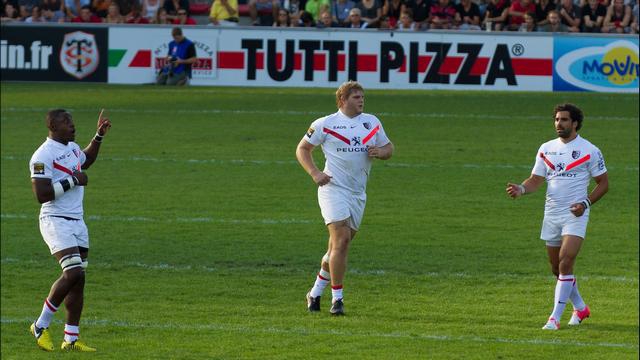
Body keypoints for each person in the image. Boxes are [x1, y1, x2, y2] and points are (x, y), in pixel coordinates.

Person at [506, 103, 608, 330]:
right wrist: (521, 189)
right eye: (556, 119)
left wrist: (585, 203)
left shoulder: (590, 150)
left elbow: (604, 183)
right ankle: (581, 308)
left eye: (564, 120)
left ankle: (554, 318)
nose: (558, 124)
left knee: (565, 261)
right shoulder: (546, 148)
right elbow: (535, 180)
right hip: (552, 214)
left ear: (575, 123)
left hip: (576, 214)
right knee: (557, 268)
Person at [296, 81, 394, 316]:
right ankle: (337, 299)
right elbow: (302, 149)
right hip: (333, 189)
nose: (361, 100)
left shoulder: (372, 122)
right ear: (342, 100)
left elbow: (389, 147)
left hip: (358, 193)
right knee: (341, 241)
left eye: (362, 97)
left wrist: (381, 152)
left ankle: (315, 292)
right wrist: (315, 173)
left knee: (336, 248)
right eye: (356, 97)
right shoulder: (325, 124)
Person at [28, 109, 112, 352]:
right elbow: (42, 195)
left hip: (77, 221)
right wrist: (73, 180)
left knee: (79, 280)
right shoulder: (42, 156)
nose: (72, 125)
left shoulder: (72, 147)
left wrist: (98, 136)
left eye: (72, 121)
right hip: (55, 220)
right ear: (53, 127)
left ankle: (71, 339)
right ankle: (40, 325)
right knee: (73, 272)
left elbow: (85, 160)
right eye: (66, 122)